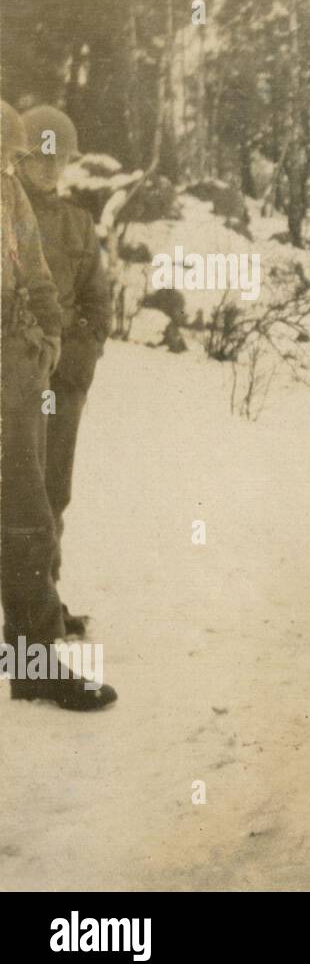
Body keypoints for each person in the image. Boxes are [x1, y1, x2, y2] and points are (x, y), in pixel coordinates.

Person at [1, 99, 115, 710]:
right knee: (24, 517)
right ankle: (31, 656)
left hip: (36, 377)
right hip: (13, 380)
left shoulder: (40, 210)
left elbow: (59, 285)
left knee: (38, 510)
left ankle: (33, 649)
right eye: (14, 156)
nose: (22, 168)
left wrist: (59, 345)